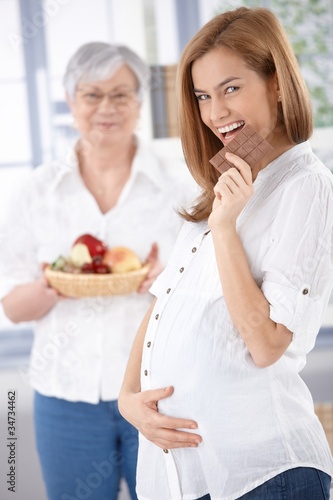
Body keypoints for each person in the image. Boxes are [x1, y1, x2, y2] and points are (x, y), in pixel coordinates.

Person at [118, 7, 333, 500]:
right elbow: (164, 302)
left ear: (276, 82)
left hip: (264, 473)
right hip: (189, 474)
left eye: (231, 88)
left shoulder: (306, 186)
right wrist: (129, 398)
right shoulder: (221, 185)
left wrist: (224, 229)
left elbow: (268, 343)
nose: (215, 113)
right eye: (202, 96)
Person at [0, 42, 195, 500]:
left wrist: (165, 280)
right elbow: (12, 305)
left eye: (121, 95)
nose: (107, 108)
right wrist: (53, 285)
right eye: (92, 95)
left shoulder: (180, 186)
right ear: (70, 102)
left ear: (140, 103)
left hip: (161, 394)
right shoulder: (37, 191)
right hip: (65, 401)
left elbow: (209, 292)